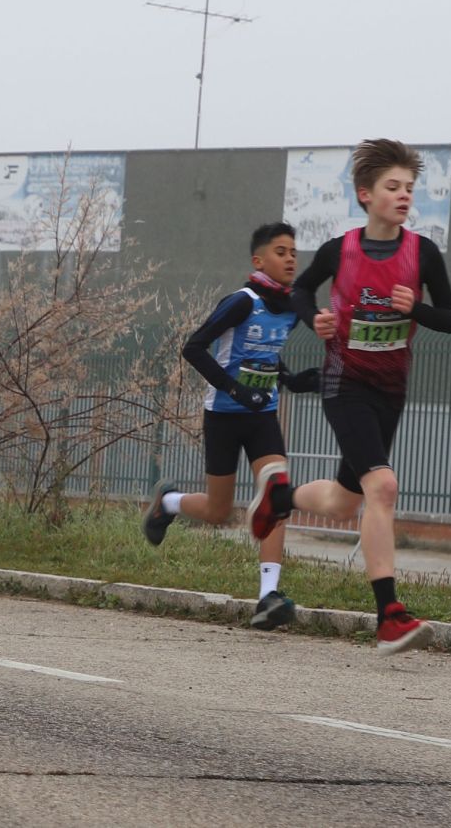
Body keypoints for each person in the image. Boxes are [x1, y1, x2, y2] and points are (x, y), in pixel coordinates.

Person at [287, 139, 451, 654]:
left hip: (392, 388)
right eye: (393, 187)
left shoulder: (423, 253)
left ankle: (278, 499)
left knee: (346, 501)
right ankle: (388, 615)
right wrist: (313, 317)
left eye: (410, 188)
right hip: (346, 382)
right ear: (366, 195)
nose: (405, 195)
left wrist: (416, 311)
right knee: (382, 487)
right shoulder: (338, 250)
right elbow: (300, 290)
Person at [144, 223, 317, 630]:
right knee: (219, 512)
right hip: (223, 415)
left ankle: (267, 597)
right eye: (281, 251)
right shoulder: (242, 302)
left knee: (277, 495)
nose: (291, 258)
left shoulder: (293, 308)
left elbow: (268, 356)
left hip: (263, 417)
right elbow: (194, 348)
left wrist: (292, 380)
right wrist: (236, 390)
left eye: (294, 251)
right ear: (259, 261)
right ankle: (167, 502)